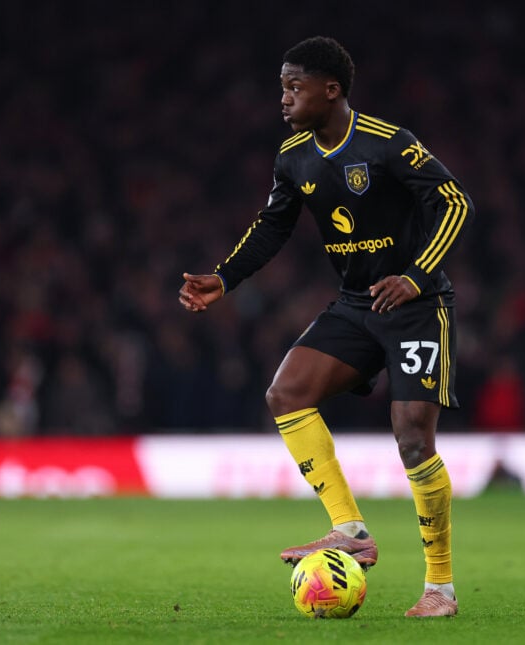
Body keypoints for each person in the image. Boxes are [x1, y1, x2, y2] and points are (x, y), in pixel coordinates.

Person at [179, 36, 474, 618]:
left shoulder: (390, 144)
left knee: (413, 437)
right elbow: (271, 227)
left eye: (294, 86)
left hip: (416, 304)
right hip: (357, 304)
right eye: (282, 86)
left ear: (330, 89)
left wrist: (416, 277)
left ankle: (440, 587)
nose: (283, 97)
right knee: (285, 392)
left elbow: (454, 203)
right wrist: (225, 277)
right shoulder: (293, 157)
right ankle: (350, 529)